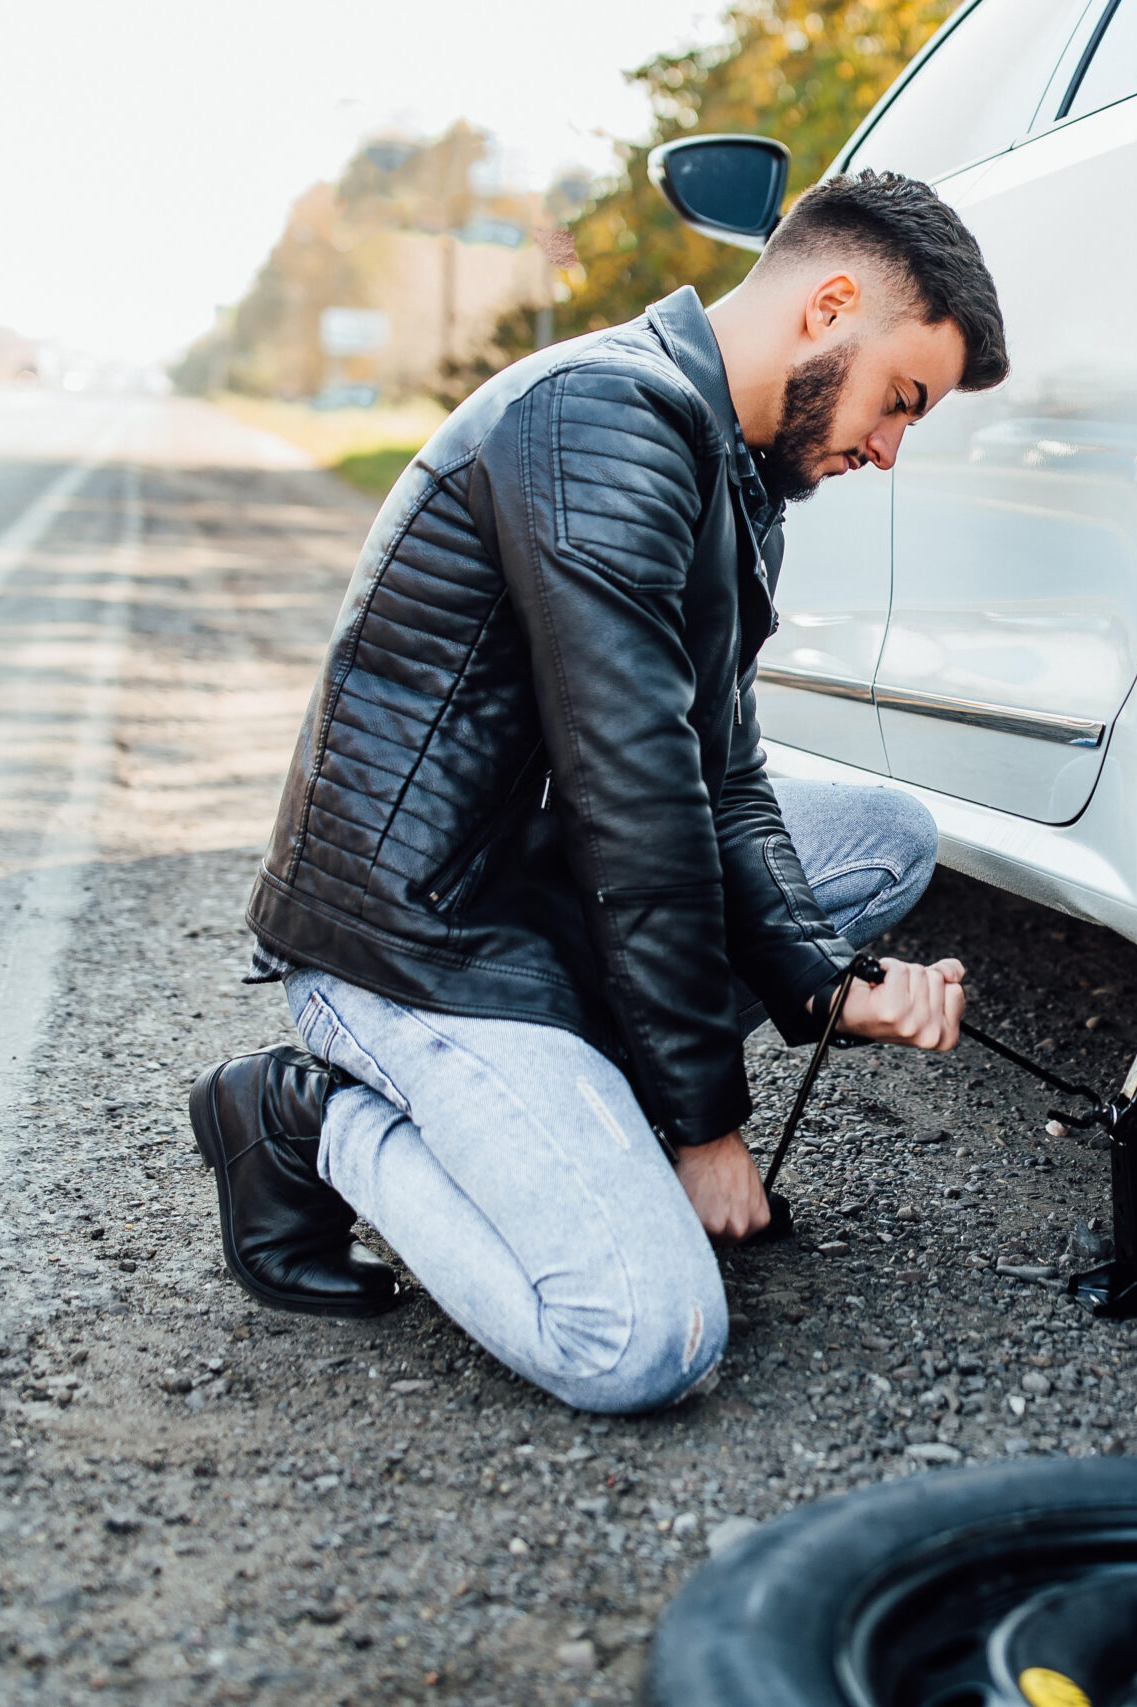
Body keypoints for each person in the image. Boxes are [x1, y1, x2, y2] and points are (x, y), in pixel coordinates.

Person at [188, 170, 1008, 1414]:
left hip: (538, 893)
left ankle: (574, 1110)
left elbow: (723, 781)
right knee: (643, 1336)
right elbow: (641, 806)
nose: (889, 450)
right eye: (901, 401)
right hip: (417, 939)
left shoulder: (735, 473)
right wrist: (703, 1128)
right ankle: (305, 1118)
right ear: (830, 302)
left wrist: (827, 986)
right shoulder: (601, 423)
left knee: (886, 836)